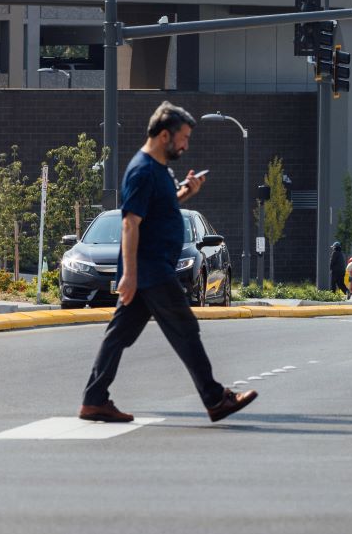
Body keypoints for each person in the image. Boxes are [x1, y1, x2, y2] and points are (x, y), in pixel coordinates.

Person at [80, 101, 257, 424]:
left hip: (151, 269)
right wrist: (130, 276)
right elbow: (130, 222)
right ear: (165, 135)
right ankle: (215, 399)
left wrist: (186, 193)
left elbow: (159, 210)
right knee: (186, 329)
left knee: (119, 335)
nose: (186, 144)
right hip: (151, 270)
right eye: (184, 137)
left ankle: (94, 400)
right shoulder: (143, 170)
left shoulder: (159, 171)